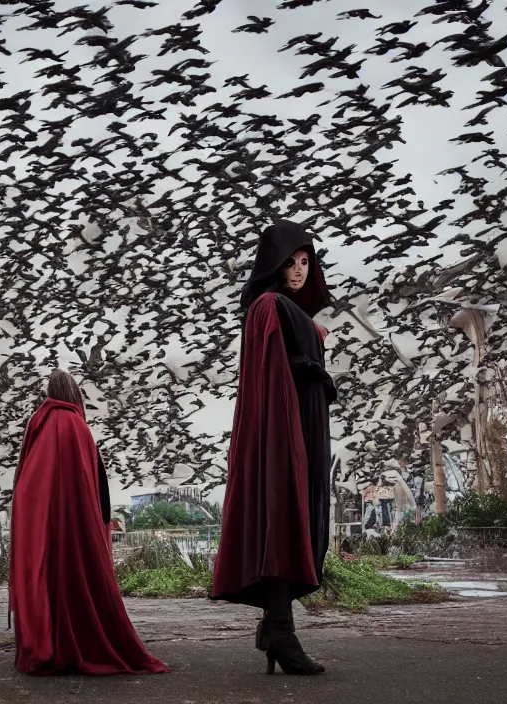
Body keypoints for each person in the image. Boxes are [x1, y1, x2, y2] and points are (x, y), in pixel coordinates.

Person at [211, 219, 336, 676]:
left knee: (293, 519)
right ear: (274, 265)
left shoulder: (292, 310)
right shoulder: (267, 305)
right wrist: (309, 372)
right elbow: (270, 374)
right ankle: (281, 632)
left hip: (302, 426)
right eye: (290, 262)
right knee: (282, 518)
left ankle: (274, 628)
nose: (299, 270)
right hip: (282, 430)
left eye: (305, 262)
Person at [9, 368, 169, 676]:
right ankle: (78, 646)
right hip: (76, 530)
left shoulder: (39, 424)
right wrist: (98, 524)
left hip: (43, 527)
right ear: (73, 392)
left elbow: (28, 483)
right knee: (79, 582)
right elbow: (90, 482)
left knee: (48, 581)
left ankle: (48, 646)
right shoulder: (75, 425)